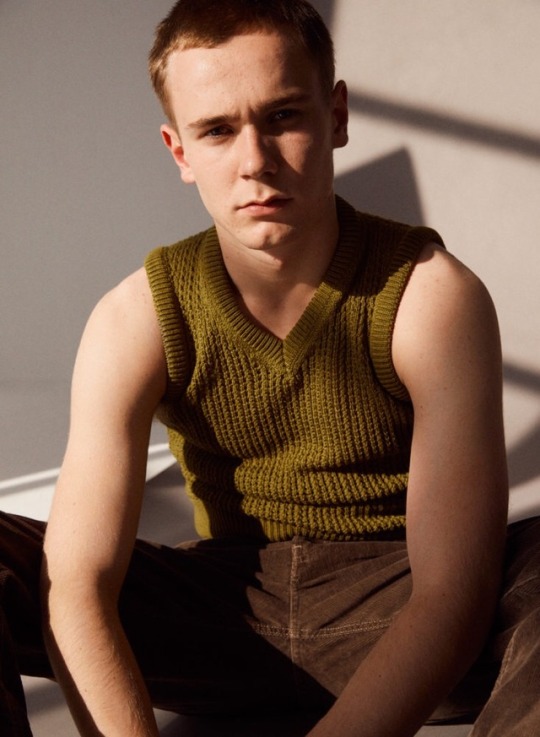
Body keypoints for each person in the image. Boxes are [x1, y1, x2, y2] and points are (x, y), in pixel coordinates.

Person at [1, 1, 539, 735]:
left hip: (396, 612)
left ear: (336, 116)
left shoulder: (429, 296)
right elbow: (79, 585)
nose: (255, 160)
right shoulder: (136, 317)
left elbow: (452, 593)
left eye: (282, 116)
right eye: (217, 130)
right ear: (179, 150)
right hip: (225, 617)